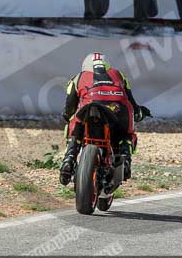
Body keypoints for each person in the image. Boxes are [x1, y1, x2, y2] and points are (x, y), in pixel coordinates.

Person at [59, 52, 150, 186]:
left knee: (74, 125)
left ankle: (69, 159)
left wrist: (67, 117)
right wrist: (139, 113)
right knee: (126, 134)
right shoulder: (119, 75)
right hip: (118, 110)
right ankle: (125, 158)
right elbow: (131, 101)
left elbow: (69, 107)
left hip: (89, 109)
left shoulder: (78, 77)